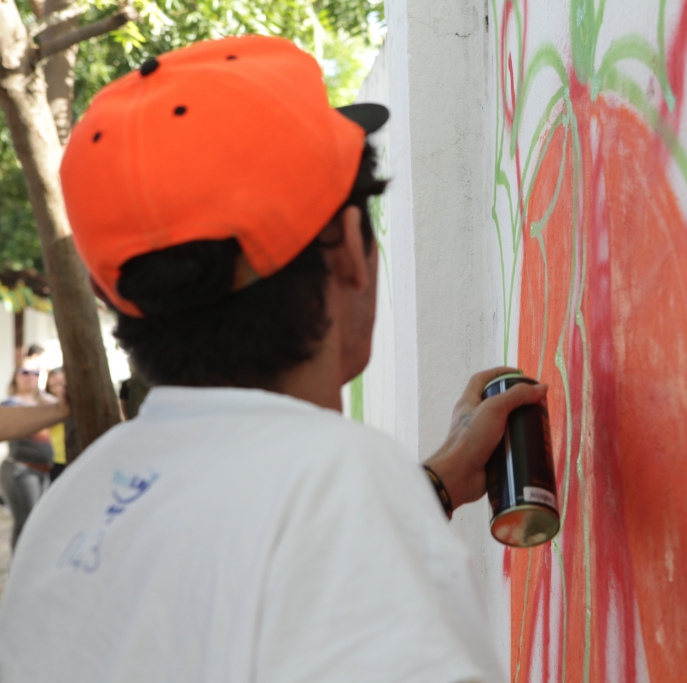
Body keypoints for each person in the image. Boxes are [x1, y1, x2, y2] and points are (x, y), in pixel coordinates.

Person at [0, 35, 546, 682]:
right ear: (348, 246)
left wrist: (424, 489)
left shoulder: (72, 508)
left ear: (110, 294)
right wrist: (386, 504)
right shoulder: (341, 491)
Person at [0, 360, 56, 550]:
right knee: (26, 523)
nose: (30, 376)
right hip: (21, 470)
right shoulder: (10, 403)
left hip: (42, 471)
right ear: (15, 378)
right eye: (25, 372)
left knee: (39, 524)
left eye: (35, 373)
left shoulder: (44, 402)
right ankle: (17, 573)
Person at [43, 368, 69, 482]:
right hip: (56, 460)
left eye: (61, 384)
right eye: (52, 386)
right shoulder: (48, 405)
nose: (57, 389)